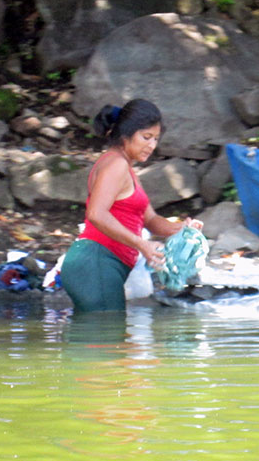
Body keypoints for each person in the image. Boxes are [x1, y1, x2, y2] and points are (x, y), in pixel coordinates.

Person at [61, 99, 202, 313]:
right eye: (146, 137)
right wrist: (142, 245)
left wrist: (183, 228)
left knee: (109, 341)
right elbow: (96, 214)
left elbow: (151, 221)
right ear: (126, 134)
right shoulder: (115, 164)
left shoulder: (127, 169)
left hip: (102, 265)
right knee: (107, 339)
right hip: (96, 262)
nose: (152, 145)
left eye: (155, 139)